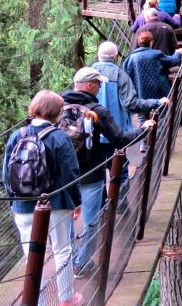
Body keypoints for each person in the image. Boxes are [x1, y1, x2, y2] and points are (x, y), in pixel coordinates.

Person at [2, 90, 83, 306]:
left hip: (23, 207)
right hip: (55, 203)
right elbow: (70, 174)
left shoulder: (17, 135)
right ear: (57, 113)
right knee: (63, 251)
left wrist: (13, 202)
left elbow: (6, 174)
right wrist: (75, 202)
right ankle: (66, 301)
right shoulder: (59, 138)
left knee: (32, 258)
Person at [60, 68, 154, 273]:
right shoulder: (97, 110)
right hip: (90, 173)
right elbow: (120, 140)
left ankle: (67, 262)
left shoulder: (57, 106)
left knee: (66, 219)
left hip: (62, 176)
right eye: (99, 84)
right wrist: (145, 128)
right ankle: (82, 263)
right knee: (92, 220)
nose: (101, 87)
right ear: (90, 85)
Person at [91, 42, 169, 207]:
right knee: (121, 169)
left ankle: (102, 209)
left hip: (92, 133)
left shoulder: (87, 74)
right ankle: (120, 204)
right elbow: (132, 104)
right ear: (116, 56)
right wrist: (156, 102)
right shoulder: (120, 75)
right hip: (115, 132)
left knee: (97, 173)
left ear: (99, 55)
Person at [124, 30, 182, 104]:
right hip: (159, 91)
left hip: (140, 93)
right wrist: (177, 53)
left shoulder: (130, 58)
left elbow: (126, 75)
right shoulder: (156, 54)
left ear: (139, 43)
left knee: (144, 112)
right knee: (163, 111)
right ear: (151, 42)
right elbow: (172, 61)